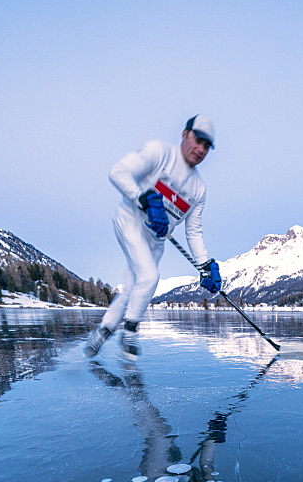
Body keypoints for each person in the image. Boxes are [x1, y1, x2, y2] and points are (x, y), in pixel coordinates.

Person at [84, 114, 221, 359]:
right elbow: (118, 172)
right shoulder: (159, 152)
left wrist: (205, 266)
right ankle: (130, 334)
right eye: (197, 140)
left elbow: (193, 231)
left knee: (132, 289)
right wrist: (143, 198)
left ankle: (102, 333)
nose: (200, 149)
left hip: (156, 240)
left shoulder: (199, 189)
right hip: (130, 221)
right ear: (184, 134)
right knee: (149, 276)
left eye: (206, 146)